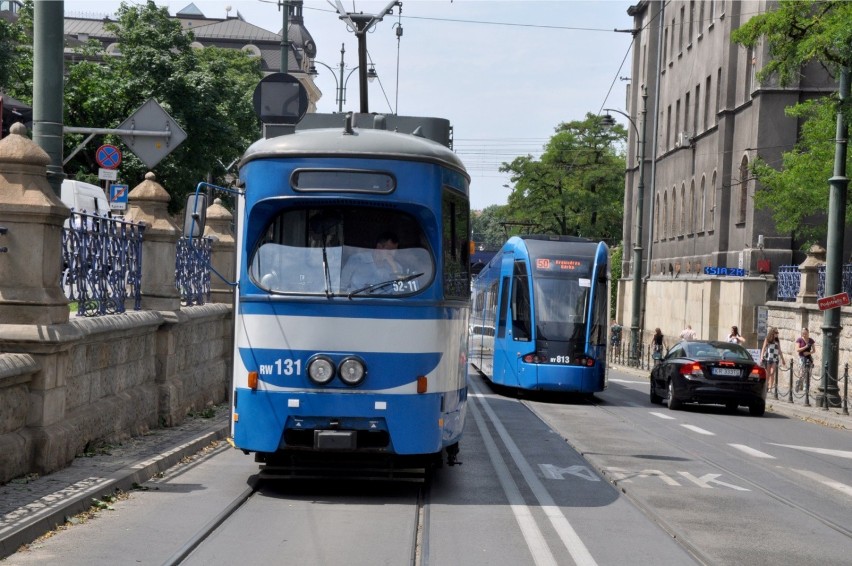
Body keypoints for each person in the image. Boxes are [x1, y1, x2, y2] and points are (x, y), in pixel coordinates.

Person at [794, 327, 816, 392]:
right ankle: (798, 383)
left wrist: (808, 352)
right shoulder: (799, 340)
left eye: (806, 333)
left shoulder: (811, 340)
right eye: (803, 333)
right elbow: (797, 349)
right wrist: (805, 347)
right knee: (802, 372)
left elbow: (814, 350)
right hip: (802, 358)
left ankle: (806, 388)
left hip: (809, 358)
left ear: (808, 333)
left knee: (808, 373)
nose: (804, 335)